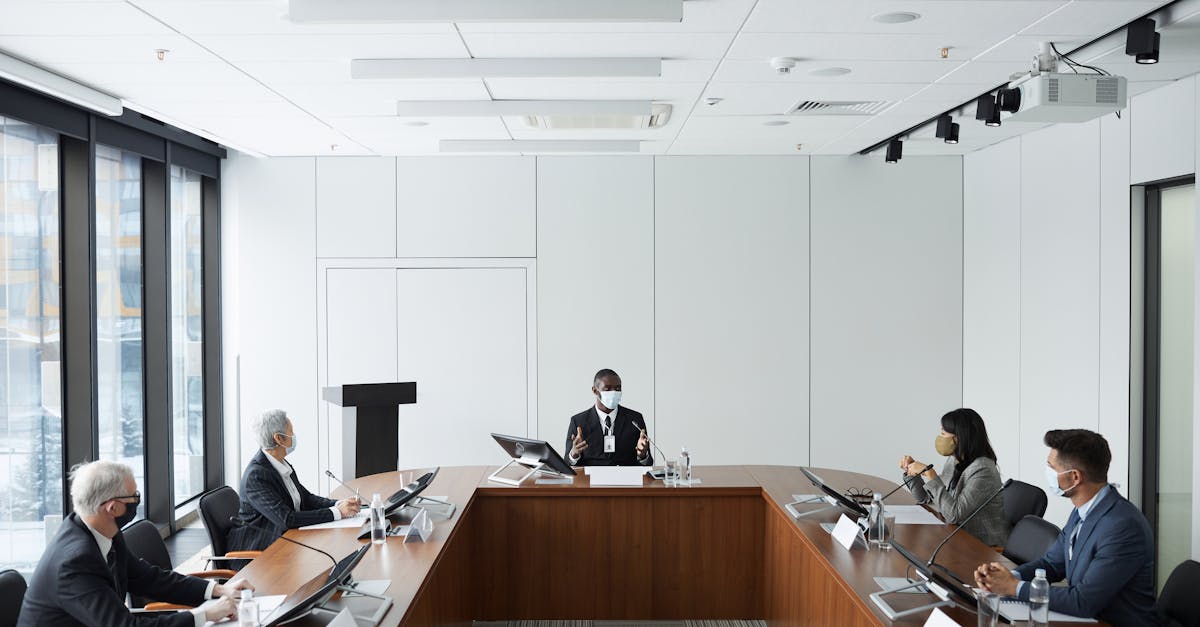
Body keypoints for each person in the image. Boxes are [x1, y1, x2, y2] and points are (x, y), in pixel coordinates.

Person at [18, 460, 252, 626]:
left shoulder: (103, 531)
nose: (138, 502)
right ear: (112, 508)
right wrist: (204, 615)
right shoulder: (73, 563)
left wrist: (218, 589)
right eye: (134, 497)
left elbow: (148, 578)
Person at [974, 429, 1157, 626]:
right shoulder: (1083, 510)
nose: (1048, 473)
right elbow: (1052, 564)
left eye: (1051, 467)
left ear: (1075, 477)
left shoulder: (1123, 527)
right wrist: (1010, 576)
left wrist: (1014, 587)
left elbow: (1083, 601)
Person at [226, 409, 360, 552]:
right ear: (279, 438)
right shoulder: (256, 477)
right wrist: (337, 512)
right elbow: (286, 519)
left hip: (284, 540)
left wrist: (339, 504)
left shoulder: (280, 463)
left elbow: (306, 498)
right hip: (257, 550)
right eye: (291, 432)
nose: (294, 436)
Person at [899, 408, 1009, 546]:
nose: (940, 438)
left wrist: (931, 474)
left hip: (980, 545)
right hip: (955, 534)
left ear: (959, 437)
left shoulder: (983, 470)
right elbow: (926, 498)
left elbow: (954, 514)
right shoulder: (955, 459)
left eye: (943, 433)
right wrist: (912, 473)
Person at [565, 369, 653, 467]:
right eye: (607, 389)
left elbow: (649, 463)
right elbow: (567, 464)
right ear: (595, 390)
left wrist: (643, 456)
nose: (614, 392)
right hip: (590, 480)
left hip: (626, 479)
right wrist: (574, 455)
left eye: (618, 388)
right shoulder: (578, 421)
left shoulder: (635, 419)